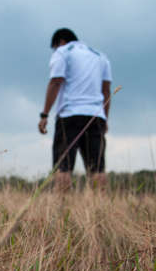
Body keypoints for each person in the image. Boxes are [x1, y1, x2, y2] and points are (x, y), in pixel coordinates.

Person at [38, 28, 112, 191]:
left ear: (61, 42)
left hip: (69, 115)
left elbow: (56, 82)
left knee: (63, 167)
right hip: (95, 117)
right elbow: (106, 90)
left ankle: (61, 210)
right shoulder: (100, 56)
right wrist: (105, 119)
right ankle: (100, 209)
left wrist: (44, 115)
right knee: (97, 169)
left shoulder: (63, 52)